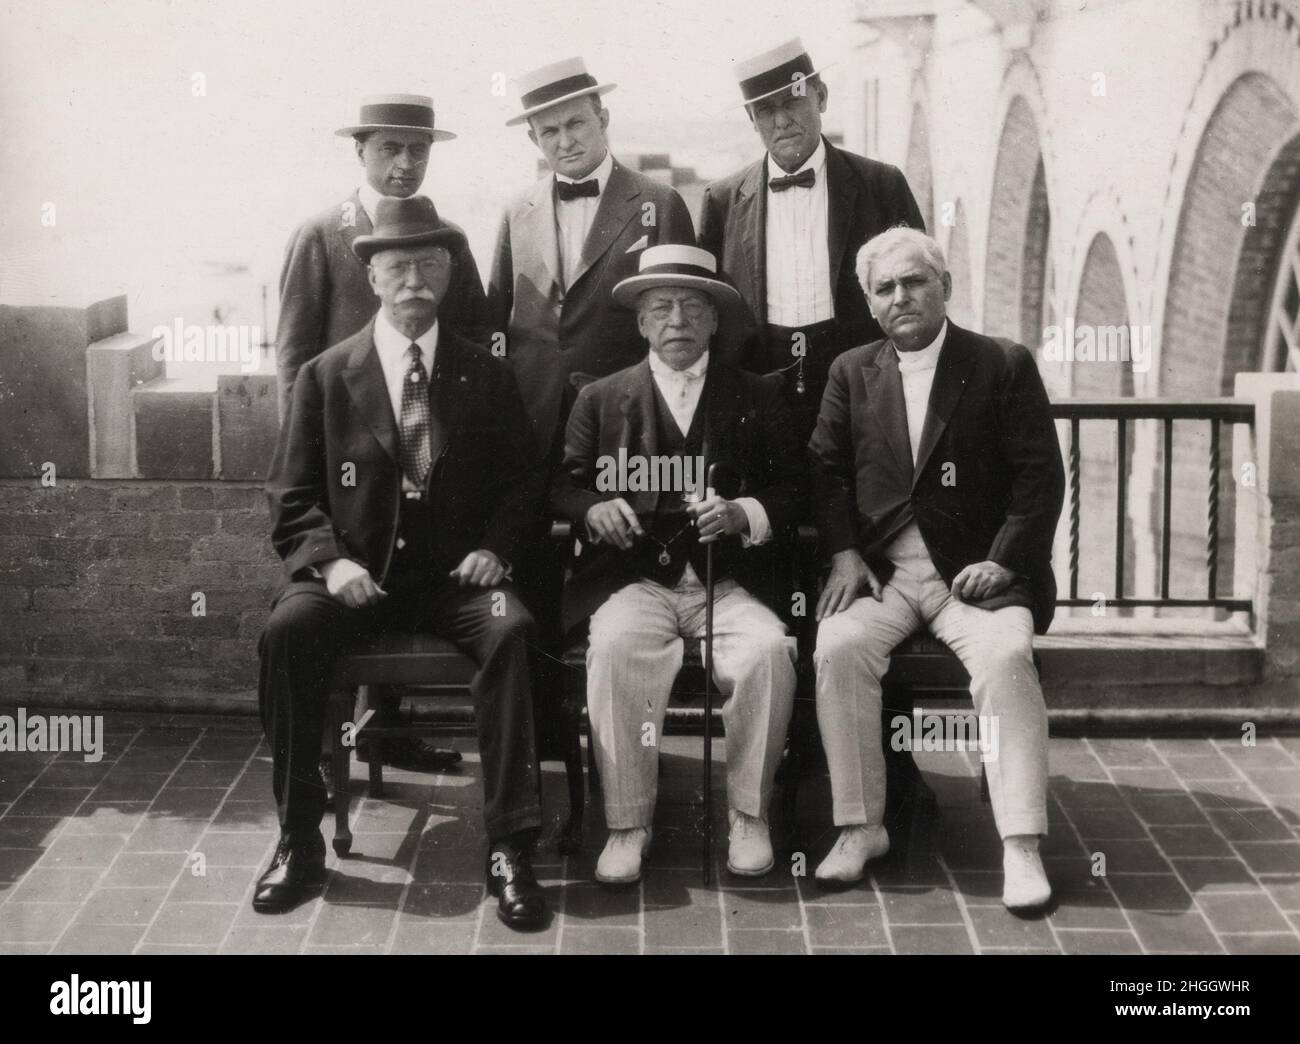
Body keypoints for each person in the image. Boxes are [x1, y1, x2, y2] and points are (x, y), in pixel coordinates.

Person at [255, 196, 548, 929]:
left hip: (455, 580)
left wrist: (495, 549)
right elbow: (291, 496)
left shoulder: (485, 373)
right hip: (358, 577)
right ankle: (298, 840)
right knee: (286, 632)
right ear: (374, 278)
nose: (413, 279)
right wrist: (329, 565)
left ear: (448, 274)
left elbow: (523, 485)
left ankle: (510, 847)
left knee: (512, 631)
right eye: (397, 267)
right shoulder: (327, 376)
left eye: (427, 265)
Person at [808, 227, 1065, 910]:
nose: (902, 296)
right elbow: (825, 473)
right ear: (870, 304)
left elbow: (1040, 479)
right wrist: (843, 553)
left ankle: (1020, 845)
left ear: (944, 285)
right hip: (887, 575)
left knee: (1008, 656)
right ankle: (861, 827)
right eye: (885, 288)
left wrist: (1003, 561)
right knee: (837, 645)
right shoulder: (850, 371)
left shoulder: (1001, 364)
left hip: (975, 575)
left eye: (915, 280)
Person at [552, 245, 803, 886]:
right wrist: (593, 508)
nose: (677, 320)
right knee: (613, 649)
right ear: (640, 323)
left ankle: (749, 813)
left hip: (731, 582)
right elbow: (562, 485)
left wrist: (745, 511)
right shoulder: (601, 398)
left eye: (694, 306)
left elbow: (797, 489)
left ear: (716, 320)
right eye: (660, 307)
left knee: (768, 652)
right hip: (637, 580)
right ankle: (628, 822)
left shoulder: (758, 394)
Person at [276, 93, 487, 774]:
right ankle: (337, 752)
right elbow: (293, 361)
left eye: (418, 150)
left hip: (426, 454)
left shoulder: (444, 241)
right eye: (390, 149)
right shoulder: (319, 234)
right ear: (359, 151)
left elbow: (476, 345)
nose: (405, 164)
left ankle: (388, 731)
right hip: (348, 467)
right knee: (330, 609)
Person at [698, 38, 924, 440]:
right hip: (759, 379)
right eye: (766, 110)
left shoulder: (881, 184)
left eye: (793, 100)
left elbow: (920, 288)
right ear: (751, 120)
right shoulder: (722, 200)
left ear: (821, 96)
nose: (781, 120)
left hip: (862, 375)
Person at [489, 57, 696, 463]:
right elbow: (494, 318)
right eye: (549, 130)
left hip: (625, 414)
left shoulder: (658, 201)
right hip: (532, 415)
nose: (565, 141)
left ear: (602, 118)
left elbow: (684, 315)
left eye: (576, 123)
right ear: (534, 140)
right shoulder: (516, 211)